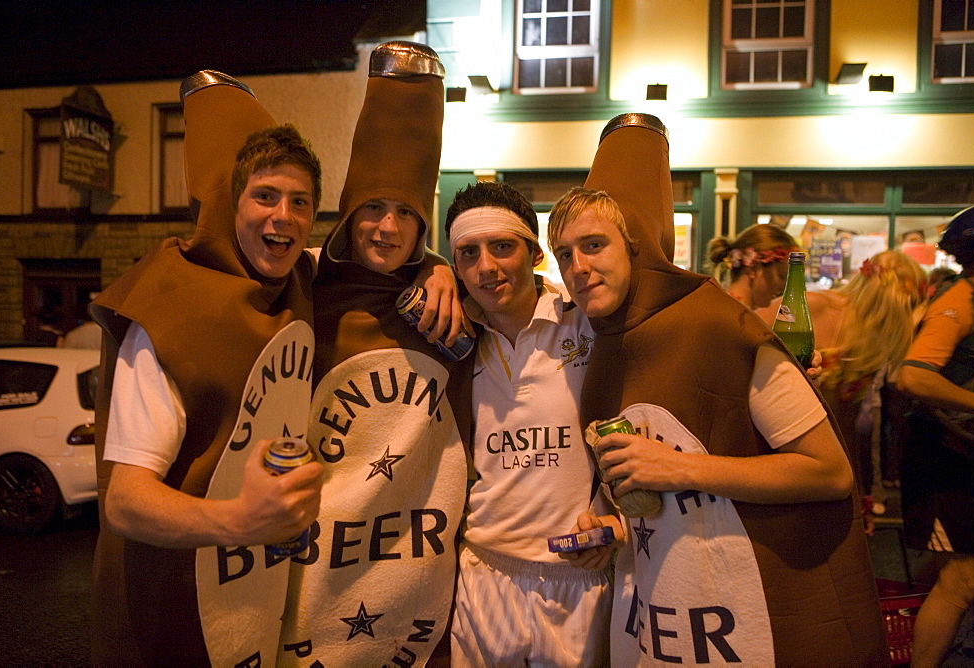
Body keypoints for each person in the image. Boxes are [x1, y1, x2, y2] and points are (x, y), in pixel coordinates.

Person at [548, 113, 889, 665]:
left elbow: (829, 470)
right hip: (664, 622)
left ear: (636, 245)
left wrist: (678, 468)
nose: (578, 267)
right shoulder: (603, 343)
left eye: (593, 245)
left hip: (746, 622)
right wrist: (613, 528)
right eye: (565, 254)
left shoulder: (718, 326)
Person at [89, 73, 326, 665]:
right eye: (265, 196)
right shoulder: (172, 308)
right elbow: (125, 500)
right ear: (230, 202)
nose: (284, 217)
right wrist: (240, 520)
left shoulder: (297, 280)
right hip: (170, 616)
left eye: (301, 203)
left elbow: (379, 258)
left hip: (251, 610)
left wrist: (438, 270)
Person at [277, 42, 473, 666]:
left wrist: (444, 269)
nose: (386, 228)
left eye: (405, 214)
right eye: (373, 208)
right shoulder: (302, 285)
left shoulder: (445, 304)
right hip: (312, 574)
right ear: (349, 213)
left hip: (412, 581)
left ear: (424, 227)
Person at [443, 181, 620, 666]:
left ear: (535, 253)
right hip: (484, 574)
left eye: (502, 247)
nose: (486, 267)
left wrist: (616, 518)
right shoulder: (449, 335)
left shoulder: (585, 319)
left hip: (580, 574)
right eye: (468, 253)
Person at [760, 251, 928, 520]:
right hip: (770, 451)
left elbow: (847, 427)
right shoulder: (813, 305)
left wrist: (860, 495)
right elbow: (740, 345)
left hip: (818, 465)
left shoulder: (870, 340)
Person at [897, 205, 974, 667]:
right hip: (946, 461)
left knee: (953, 573)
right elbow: (914, 378)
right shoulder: (959, 303)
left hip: (963, 458)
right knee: (961, 582)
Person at [707, 223, 797, 310]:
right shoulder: (735, 316)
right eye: (782, 276)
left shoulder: (723, 308)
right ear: (753, 269)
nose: (784, 287)